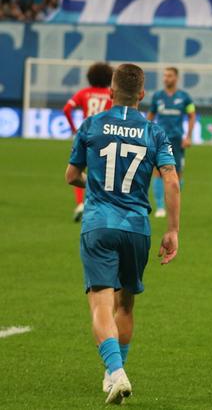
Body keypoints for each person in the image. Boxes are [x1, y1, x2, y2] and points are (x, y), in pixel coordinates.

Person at [65, 63, 181, 405]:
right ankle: (113, 374)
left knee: (100, 302)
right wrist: (172, 230)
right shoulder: (154, 132)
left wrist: (94, 186)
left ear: (111, 93)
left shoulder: (92, 124)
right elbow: (172, 181)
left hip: (99, 224)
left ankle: (116, 372)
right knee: (125, 305)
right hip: (136, 228)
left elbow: (71, 175)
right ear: (142, 94)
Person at [63, 62, 114, 222]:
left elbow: (66, 109)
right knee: (105, 172)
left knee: (78, 169)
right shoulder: (110, 94)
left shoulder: (84, 93)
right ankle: (101, 205)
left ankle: (80, 204)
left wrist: (74, 129)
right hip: (106, 136)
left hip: (86, 134)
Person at [147, 67, 196, 217]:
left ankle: (173, 205)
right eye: (164, 75)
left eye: (169, 76)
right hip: (160, 140)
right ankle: (160, 207)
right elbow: (150, 115)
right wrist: (147, 134)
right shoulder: (157, 96)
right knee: (157, 171)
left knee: (177, 173)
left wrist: (188, 136)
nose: (166, 78)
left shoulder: (185, 97)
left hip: (177, 140)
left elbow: (192, 115)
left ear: (176, 78)